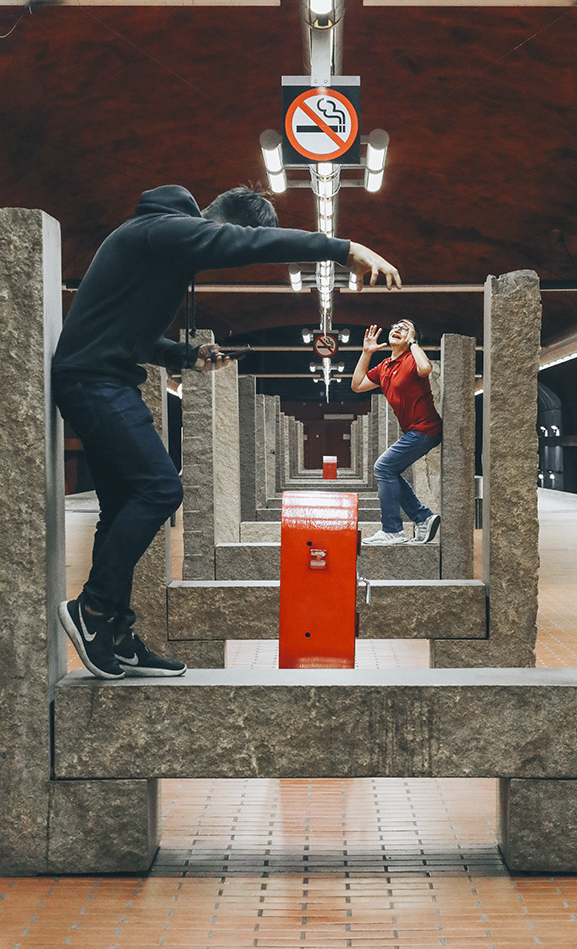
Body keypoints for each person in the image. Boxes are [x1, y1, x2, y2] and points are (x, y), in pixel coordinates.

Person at [52, 183, 401, 680]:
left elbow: (130, 333)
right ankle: (92, 609)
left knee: (121, 507)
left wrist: (185, 355)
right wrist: (344, 249)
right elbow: (246, 244)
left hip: (103, 377)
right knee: (160, 489)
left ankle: (114, 632)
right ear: (221, 224)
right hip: (94, 381)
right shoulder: (162, 229)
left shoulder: (157, 244)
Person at [351, 318, 441, 546]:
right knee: (389, 471)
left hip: (425, 429)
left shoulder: (412, 359)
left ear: (413, 337)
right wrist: (366, 353)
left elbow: (425, 368)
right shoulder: (385, 366)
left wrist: (413, 344)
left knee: (383, 467)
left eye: (405, 328)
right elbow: (357, 385)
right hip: (413, 431)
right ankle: (422, 518)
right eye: (396, 327)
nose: (397, 329)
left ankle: (393, 530)